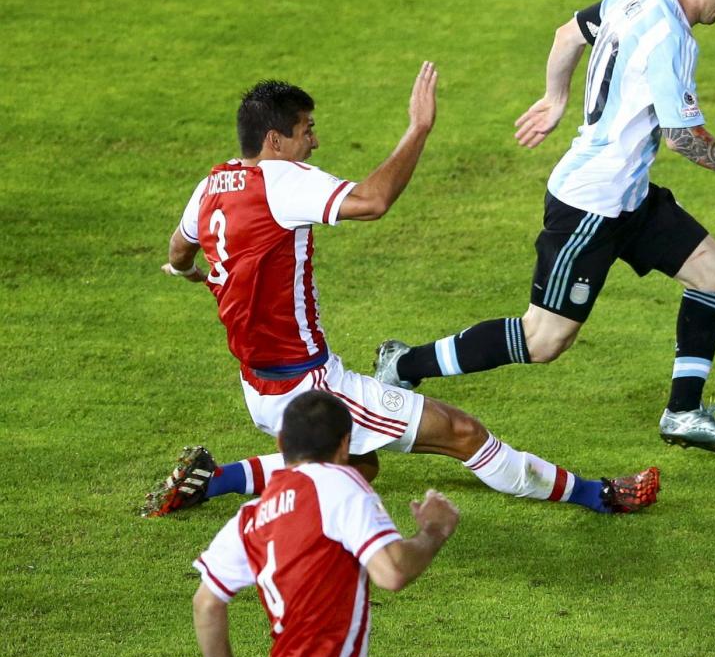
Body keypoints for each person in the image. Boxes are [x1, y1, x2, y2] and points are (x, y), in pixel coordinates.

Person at [147, 67, 658, 517]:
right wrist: (419, 129)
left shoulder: (212, 185)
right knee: (461, 432)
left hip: (258, 384)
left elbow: (178, 248)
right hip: (309, 386)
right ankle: (598, 495)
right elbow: (372, 201)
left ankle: (215, 480)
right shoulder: (282, 181)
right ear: (275, 141)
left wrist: (190, 272)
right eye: (307, 131)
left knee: (358, 466)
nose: (315, 143)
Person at [373, 0, 715, 454]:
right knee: (543, 340)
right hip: (589, 206)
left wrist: (556, 97)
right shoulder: (673, 39)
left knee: (714, 272)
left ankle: (683, 414)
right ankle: (402, 364)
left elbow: (567, 34)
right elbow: (683, 140)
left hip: (630, 198)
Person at [193, 391, 482, 657]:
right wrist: (433, 532)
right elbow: (392, 572)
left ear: (281, 442)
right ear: (345, 445)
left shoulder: (251, 515)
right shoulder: (339, 482)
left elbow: (207, 601)